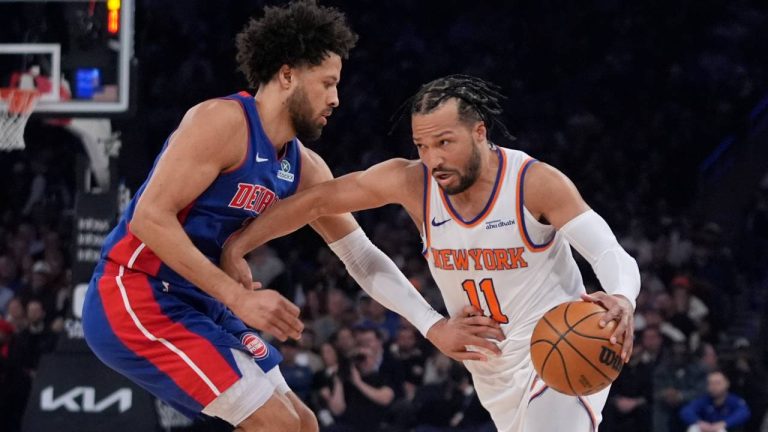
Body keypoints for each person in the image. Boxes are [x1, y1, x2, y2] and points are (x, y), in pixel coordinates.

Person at [81, 3, 498, 431]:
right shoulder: (222, 122)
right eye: (327, 83)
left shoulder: (305, 166)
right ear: (287, 76)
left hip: (199, 302)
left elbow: (360, 256)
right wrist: (237, 296)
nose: (336, 98)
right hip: (136, 292)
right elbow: (148, 219)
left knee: (304, 423)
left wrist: (433, 327)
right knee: (276, 424)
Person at [221, 75, 641, 431]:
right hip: (492, 374)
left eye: (444, 142)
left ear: (480, 131)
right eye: (422, 145)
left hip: (560, 352)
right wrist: (239, 245)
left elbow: (607, 250)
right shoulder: (414, 183)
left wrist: (622, 295)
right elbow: (316, 202)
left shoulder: (534, 183)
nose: (433, 159)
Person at [679, 370, 750, 432]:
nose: (714, 387)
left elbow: (744, 412)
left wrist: (724, 423)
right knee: (694, 428)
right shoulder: (704, 400)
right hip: (707, 429)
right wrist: (699, 422)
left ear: (727, 383)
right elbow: (686, 411)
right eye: (711, 383)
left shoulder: (734, 400)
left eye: (718, 383)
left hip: (726, 429)